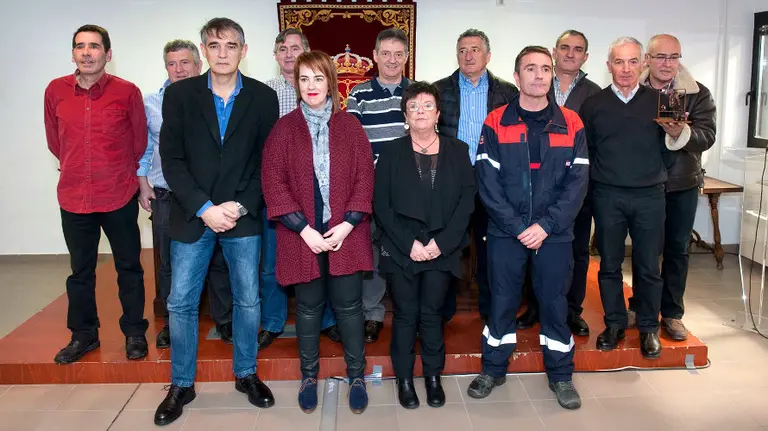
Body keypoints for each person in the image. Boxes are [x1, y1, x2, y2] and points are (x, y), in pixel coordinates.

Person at [153, 18, 278, 426]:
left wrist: (239, 207)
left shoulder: (262, 97)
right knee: (181, 302)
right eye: (214, 45)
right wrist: (205, 207)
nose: (222, 53)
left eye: (231, 45)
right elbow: (171, 160)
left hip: (242, 217)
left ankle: (246, 374)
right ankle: (182, 383)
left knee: (247, 300)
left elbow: (267, 163)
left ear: (244, 50)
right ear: (204, 51)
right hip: (193, 215)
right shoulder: (181, 95)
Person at [468, 46, 588, 410]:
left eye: (545, 69)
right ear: (516, 77)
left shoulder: (572, 122)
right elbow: (487, 182)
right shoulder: (495, 121)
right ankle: (493, 368)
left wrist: (546, 226)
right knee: (502, 302)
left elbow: (578, 183)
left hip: (555, 234)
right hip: (508, 232)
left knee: (554, 303)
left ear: (552, 76)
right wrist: (521, 226)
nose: (538, 75)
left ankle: (561, 376)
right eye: (530, 69)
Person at [262, 51, 374, 415]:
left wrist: (347, 223)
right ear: (297, 83)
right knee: (308, 308)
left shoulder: (350, 126)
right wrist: (304, 229)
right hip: (302, 235)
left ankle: (356, 376)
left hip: (346, 231)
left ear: (331, 83)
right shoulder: (283, 129)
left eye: (319, 79)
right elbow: (273, 183)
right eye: (305, 79)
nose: (312, 86)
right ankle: (308, 376)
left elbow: (364, 179)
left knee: (350, 307)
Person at [44, 24, 149, 365]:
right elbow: (55, 142)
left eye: (94, 46)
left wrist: (115, 172)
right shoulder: (55, 91)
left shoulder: (127, 92)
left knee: (129, 268)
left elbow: (138, 143)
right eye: (80, 46)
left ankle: (134, 333)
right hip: (74, 197)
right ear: (73, 53)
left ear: (108, 53)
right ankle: (83, 335)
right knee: (80, 272)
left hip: (117, 194)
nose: (86, 52)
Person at [374, 81, 475, 409]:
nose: (420, 111)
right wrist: (410, 244)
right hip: (402, 250)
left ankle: (433, 376)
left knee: (432, 315)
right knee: (405, 315)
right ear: (405, 114)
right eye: (413, 106)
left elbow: (466, 202)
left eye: (427, 105)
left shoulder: (457, 151)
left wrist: (441, 244)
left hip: (441, 249)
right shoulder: (390, 152)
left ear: (438, 113)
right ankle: (404, 379)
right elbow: (381, 205)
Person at [580, 37, 680, 359]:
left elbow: (671, 150)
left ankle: (649, 328)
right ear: (608, 66)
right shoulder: (594, 105)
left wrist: (650, 176)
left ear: (643, 64)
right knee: (608, 264)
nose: (625, 69)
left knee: (648, 266)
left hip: (650, 196)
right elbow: (589, 151)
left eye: (632, 61)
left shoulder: (662, 101)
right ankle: (614, 324)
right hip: (608, 196)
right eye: (619, 62)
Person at [138, 39, 234, 349]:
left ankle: (225, 320)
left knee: (220, 261)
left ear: (198, 63)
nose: (179, 69)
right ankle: (170, 323)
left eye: (185, 63)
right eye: (172, 63)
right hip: (168, 196)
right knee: (168, 264)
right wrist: (142, 181)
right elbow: (146, 148)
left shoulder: (216, 98)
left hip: (212, 195)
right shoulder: (151, 102)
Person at [629, 34, 716, 340]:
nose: (667, 63)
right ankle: (641, 306)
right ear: (647, 60)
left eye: (673, 57)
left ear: (679, 58)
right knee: (644, 251)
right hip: (641, 184)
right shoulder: (632, 92)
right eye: (660, 57)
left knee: (677, 251)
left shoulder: (697, 94)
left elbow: (707, 137)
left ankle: (673, 313)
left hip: (681, 183)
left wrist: (683, 131)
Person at [258, 28, 340, 349]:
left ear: (306, 51)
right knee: (272, 262)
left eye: (295, 47)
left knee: (327, 258)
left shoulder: (322, 91)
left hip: (319, 192)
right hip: (279, 191)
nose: (289, 54)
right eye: (283, 48)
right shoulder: (264, 92)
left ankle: (328, 321)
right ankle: (273, 321)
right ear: (275, 55)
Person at [517, 29, 601, 336]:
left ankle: (571, 310)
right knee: (532, 245)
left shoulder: (595, 94)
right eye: (564, 48)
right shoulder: (537, 83)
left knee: (576, 252)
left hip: (575, 189)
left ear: (585, 56)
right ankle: (534, 307)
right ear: (555, 51)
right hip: (534, 185)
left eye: (578, 49)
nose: (570, 53)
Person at [434, 29, 518, 322]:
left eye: (475, 49)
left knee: (491, 247)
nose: (468, 56)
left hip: (492, 180)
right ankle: (442, 311)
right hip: (452, 180)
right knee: (448, 244)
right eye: (462, 50)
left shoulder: (508, 92)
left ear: (487, 55)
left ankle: (490, 309)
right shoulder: (438, 90)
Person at [347, 28, 411, 343]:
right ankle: (372, 313)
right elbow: (354, 145)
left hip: (409, 189)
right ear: (374, 55)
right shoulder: (358, 94)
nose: (391, 60)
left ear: (406, 57)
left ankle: (408, 312)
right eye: (385, 53)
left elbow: (427, 140)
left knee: (405, 249)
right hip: (371, 187)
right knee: (370, 252)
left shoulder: (418, 93)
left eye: (398, 54)